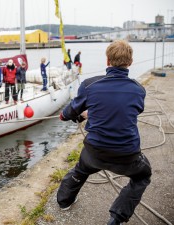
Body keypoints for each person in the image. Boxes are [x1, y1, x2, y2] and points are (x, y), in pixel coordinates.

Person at [57, 40, 152, 225]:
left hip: (95, 151)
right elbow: (131, 110)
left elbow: (70, 112)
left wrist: (64, 116)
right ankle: (116, 218)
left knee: (81, 169)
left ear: (107, 61)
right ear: (130, 62)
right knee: (143, 176)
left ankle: (64, 201)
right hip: (127, 153)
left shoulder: (89, 85)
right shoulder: (139, 90)